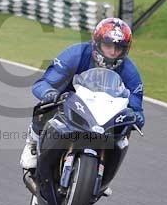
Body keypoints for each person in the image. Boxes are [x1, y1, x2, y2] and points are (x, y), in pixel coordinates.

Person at [19, 17, 145, 173]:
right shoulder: (75, 54)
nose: (113, 52)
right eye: (108, 45)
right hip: (69, 102)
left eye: (119, 48)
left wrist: (136, 116)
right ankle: (33, 143)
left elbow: (136, 106)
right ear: (97, 43)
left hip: (105, 113)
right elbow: (42, 83)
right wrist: (49, 93)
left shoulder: (130, 72)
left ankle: (104, 169)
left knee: (125, 128)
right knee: (45, 106)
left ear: (126, 50)